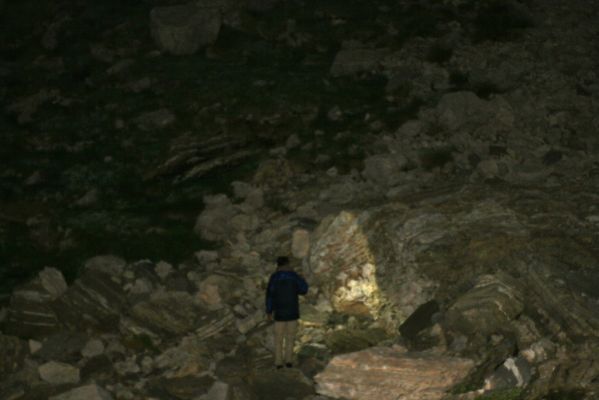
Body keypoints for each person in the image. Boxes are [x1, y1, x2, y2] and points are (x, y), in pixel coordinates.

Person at [265, 256, 309, 369]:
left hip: (279, 313)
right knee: (290, 338)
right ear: (287, 264)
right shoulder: (293, 276)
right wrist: (302, 279)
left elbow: (270, 296)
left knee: (278, 339)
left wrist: (269, 311)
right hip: (292, 312)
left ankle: (278, 362)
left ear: (278, 265)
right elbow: (304, 290)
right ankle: (289, 361)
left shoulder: (274, 278)